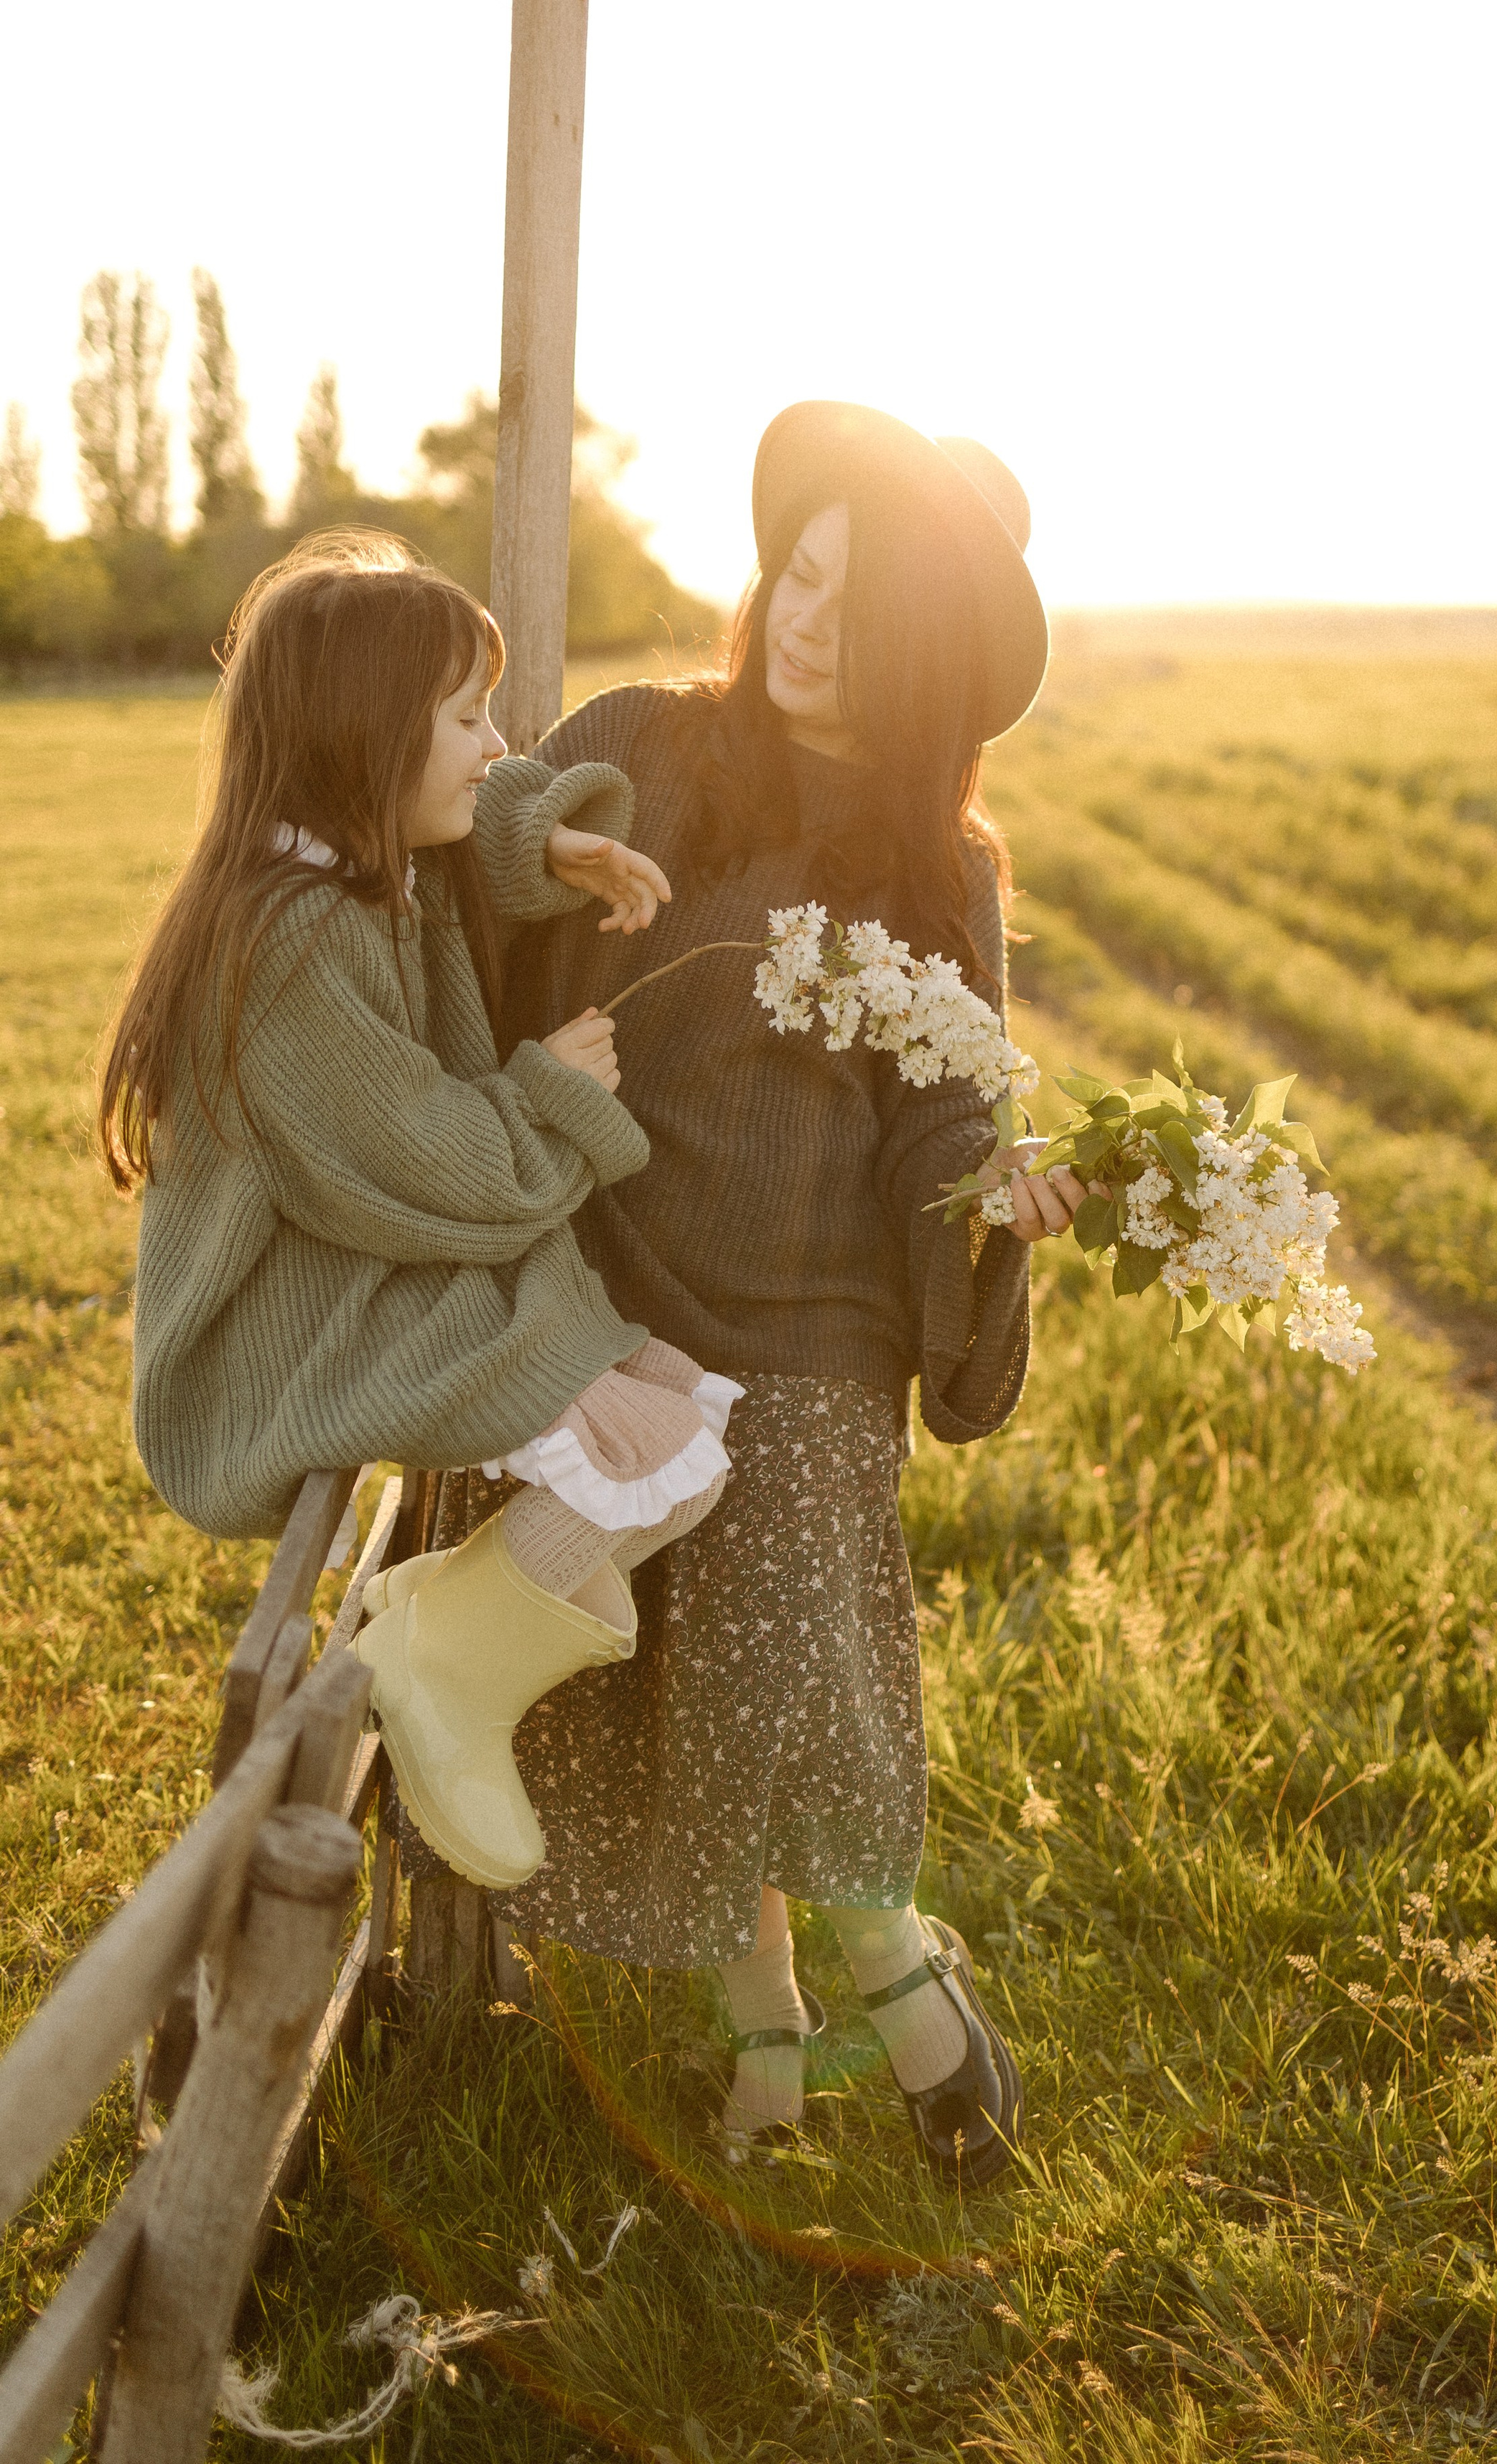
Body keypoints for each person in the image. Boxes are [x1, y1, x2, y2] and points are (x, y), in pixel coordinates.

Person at [490, 402, 1093, 2187]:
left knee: (792, 1687)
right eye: (795, 571)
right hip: (609, 1292)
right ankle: (765, 2062)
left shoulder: (941, 866)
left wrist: (992, 1198)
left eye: (852, 599)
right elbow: (484, 931)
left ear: (923, 650)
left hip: (817, 1326)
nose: (805, 617)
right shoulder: (638, 748)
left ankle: (909, 2011)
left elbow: (941, 1123)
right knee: (671, 1695)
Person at [99, 533, 741, 1894]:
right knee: (631, 1433)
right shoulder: (290, 943)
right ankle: (445, 1673)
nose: (495, 741)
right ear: (365, 740)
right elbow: (430, 1162)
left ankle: (449, 1637)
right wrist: (556, 1095)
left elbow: (484, 811)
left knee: (679, 1405)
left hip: (361, 1260)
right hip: (285, 1324)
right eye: (463, 718)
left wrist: (542, 833)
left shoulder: (364, 864)